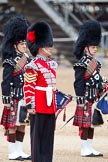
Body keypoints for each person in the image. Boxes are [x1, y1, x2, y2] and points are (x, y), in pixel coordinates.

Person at [24, 21, 58, 162]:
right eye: (47, 44)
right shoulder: (33, 65)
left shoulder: (51, 64)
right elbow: (28, 86)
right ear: (39, 46)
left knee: (48, 136)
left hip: (50, 105)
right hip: (38, 105)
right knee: (37, 137)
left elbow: (51, 85)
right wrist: (30, 104)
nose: (50, 47)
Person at [0, 16, 31, 160]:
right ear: (14, 45)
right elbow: (5, 82)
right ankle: (13, 152)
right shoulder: (9, 62)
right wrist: (6, 99)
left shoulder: (28, 60)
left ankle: (20, 150)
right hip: (13, 97)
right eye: (21, 43)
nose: (25, 45)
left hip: (25, 97)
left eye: (25, 43)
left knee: (22, 125)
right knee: (12, 126)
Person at [72, 20, 104, 157]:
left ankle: (90, 147)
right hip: (85, 98)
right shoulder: (81, 64)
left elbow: (98, 80)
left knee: (92, 124)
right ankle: (84, 148)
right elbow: (78, 83)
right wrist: (80, 99)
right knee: (85, 125)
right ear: (86, 48)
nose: (95, 49)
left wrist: (103, 86)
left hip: (94, 97)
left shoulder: (96, 63)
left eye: (95, 47)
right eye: (92, 47)